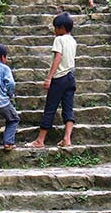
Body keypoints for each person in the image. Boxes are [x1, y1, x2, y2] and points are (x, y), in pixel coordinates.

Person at [26, 12, 77, 149]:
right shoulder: (73, 41)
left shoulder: (59, 40)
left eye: (56, 28)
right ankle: (67, 139)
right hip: (71, 77)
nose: (54, 31)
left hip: (59, 78)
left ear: (61, 28)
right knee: (68, 108)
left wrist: (49, 77)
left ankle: (40, 140)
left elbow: (58, 58)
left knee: (50, 108)